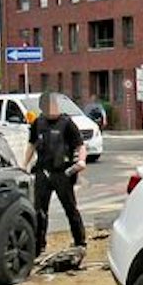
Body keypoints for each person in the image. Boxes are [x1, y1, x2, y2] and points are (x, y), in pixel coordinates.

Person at [23, 90, 86, 252]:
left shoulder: (67, 123)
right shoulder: (38, 123)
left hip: (62, 173)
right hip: (42, 171)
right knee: (39, 211)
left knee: (70, 208)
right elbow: (32, 144)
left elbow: (80, 144)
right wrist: (24, 164)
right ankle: (38, 246)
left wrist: (81, 160)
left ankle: (80, 241)